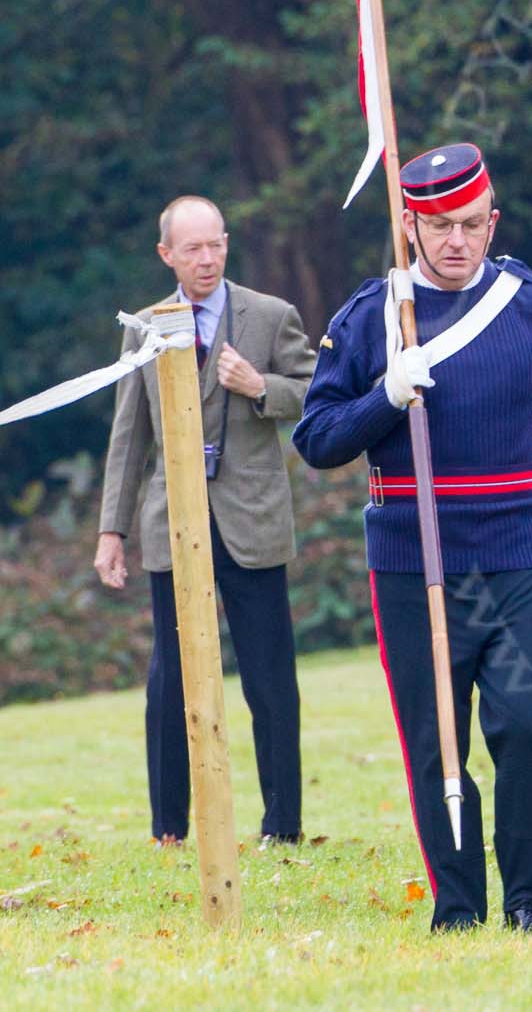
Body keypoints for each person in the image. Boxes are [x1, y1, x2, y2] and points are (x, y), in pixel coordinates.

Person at [292, 143, 532, 932]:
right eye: (438, 225)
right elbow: (316, 438)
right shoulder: (370, 316)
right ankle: (458, 909)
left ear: (493, 222)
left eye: (470, 224)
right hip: (411, 557)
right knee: (437, 744)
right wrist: (386, 394)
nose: (456, 241)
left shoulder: (530, 305)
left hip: (516, 548)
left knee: (525, 725)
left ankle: (526, 901)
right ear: (409, 227)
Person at [96, 195, 316, 846]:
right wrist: (113, 531)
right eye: (191, 248)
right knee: (170, 678)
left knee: (271, 676)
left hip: (252, 524)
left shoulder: (271, 317)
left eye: (215, 243)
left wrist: (259, 386)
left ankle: (283, 824)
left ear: (227, 242)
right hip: (173, 526)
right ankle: (169, 828)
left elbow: (317, 392)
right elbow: (128, 436)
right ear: (166, 254)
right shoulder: (144, 325)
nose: (207, 257)